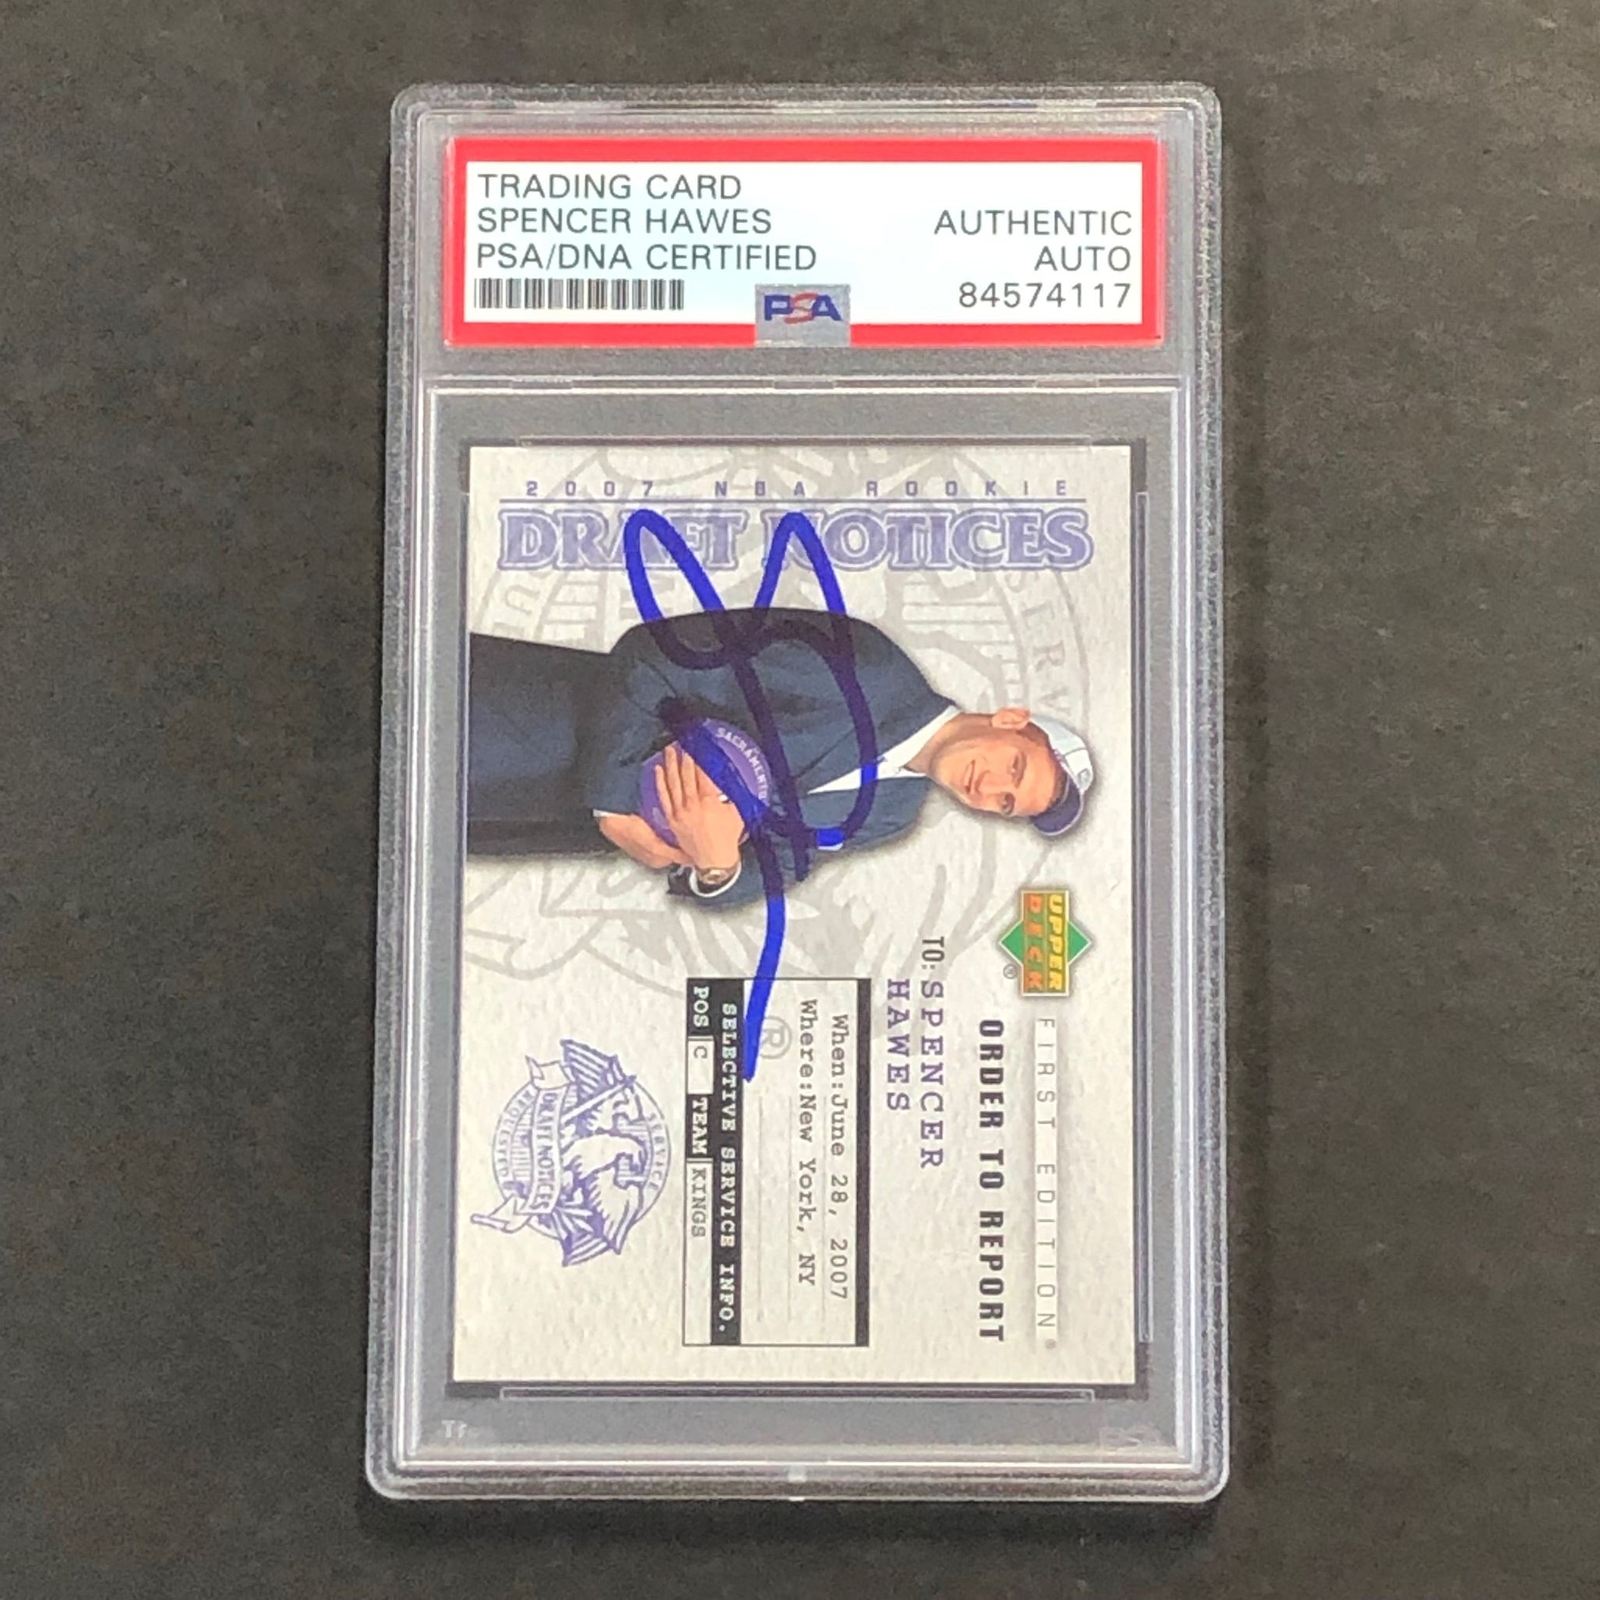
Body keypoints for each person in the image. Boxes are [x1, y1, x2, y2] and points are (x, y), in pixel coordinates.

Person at [466, 607, 1094, 912]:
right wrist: (613, 806)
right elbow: (653, 654)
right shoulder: (867, 666)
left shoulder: (893, 813)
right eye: (1014, 767)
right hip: (519, 719)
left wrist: (716, 867)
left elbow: (777, 866)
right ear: (1010, 720)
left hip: (539, 822)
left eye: (1005, 804)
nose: (989, 788)